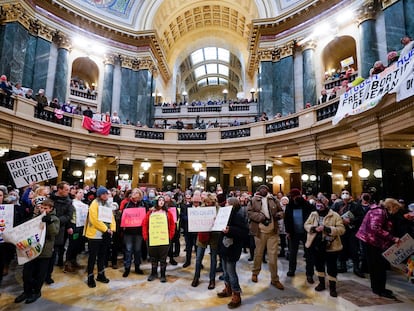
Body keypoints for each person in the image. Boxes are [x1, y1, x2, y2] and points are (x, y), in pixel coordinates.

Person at [14, 198, 60, 304]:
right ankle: (26, 291)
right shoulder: (35, 217)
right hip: (31, 249)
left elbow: (54, 233)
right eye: (42, 207)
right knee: (27, 273)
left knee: (40, 274)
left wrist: (49, 222)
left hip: (44, 251)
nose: (43, 210)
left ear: (51, 208)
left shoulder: (54, 218)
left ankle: (36, 292)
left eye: (46, 208)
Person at [356, 198, 401, 299]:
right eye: (396, 208)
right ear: (391, 206)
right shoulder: (379, 212)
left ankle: (377, 288)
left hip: (372, 241)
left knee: (375, 266)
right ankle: (380, 289)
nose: (396, 211)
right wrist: (392, 238)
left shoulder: (380, 210)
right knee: (378, 266)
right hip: (372, 242)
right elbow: (375, 228)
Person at [304, 197, 345, 297]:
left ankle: (332, 287)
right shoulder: (313, 214)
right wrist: (313, 228)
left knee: (331, 267)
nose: (319, 205)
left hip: (331, 246)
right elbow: (306, 224)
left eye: (321, 203)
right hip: (316, 245)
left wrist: (327, 229)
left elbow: (341, 229)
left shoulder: (334, 215)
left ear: (326, 204)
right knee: (319, 265)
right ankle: (321, 283)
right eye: (317, 203)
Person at [247, 184, 284, 290]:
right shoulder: (253, 200)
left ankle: (275, 279)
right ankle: (255, 273)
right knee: (258, 254)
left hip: (272, 232)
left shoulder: (273, 199)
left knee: (273, 257)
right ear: (258, 190)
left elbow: (281, 211)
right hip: (259, 232)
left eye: (266, 189)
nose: (264, 190)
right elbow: (249, 213)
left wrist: (279, 215)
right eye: (262, 189)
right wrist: (261, 217)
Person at [217, 197, 249, 309]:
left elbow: (244, 232)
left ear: (232, 205)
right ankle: (228, 289)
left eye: (227, 203)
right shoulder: (224, 215)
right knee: (225, 271)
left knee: (231, 272)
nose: (225, 204)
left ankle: (236, 294)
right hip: (224, 246)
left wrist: (230, 230)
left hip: (232, 248)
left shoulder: (238, 216)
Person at [84, 186, 116, 288]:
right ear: (99, 195)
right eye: (103, 194)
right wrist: (106, 229)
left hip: (105, 234)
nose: (105, 195)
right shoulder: (94, 204)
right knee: (93, 257)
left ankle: (101, 274)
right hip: (95, 235)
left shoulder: (107, 204)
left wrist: (112, 229)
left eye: (106, 193)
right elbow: (94, 220)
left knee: (102, 256)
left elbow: (111, 217)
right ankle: (90, 277)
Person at [284, 188, 315, 283]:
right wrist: (288, 232)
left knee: (309, 254)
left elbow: (313, 217)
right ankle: (291, 270)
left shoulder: (307, 205)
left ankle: (309, 274)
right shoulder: (289, 206)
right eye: (293, 196)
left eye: (296, 196)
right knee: (293, 253)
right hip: (294, 232)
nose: (294, 198)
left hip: (306, 232)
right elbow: (287, 219)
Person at [45, 181, 73, 284]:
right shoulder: (49, 199)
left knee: (53, 254)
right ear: (59, 189)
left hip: (58, 230)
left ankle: (48, 275)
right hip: (44, 228)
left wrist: (55, 220)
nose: (68, 192)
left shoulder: (69, 202)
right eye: (66, 190)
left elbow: (68, 216)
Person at [142, 196, 175, 282]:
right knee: (153, 257)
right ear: (156, 201)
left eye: (162, 200)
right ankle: (153, 273)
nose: (161, 202)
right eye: (159, 200)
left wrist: (170, 235)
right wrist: (145, 236)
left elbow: (172, 225)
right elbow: (144, 224)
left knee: (163, 258)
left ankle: (163, 274)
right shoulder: (150, 213)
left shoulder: (167, 213)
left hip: (164, 238)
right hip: (152, 238)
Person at [191, 193, 220, 290]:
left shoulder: (218, 209)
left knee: (213, 258)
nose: (208, 204)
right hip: (203, 234)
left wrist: (217, 220)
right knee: (199, 258)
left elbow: (222, 221)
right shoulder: (201, 209)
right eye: (206, 202)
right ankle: (196, 277)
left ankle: (212, 279)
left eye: (210, 202)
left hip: (214, 235)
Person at [120, 188, 148, 277]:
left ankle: (137, 267)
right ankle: (127, 268)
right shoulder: (127, 204)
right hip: (128, 231)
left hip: (139, 231)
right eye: (133, 193)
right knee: (128, 250)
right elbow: (123, 216)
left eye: (137, 193)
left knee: (137, 250)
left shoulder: (143, 204)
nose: (135, 194)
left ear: (140, 195)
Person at [64, 188, 88, 273]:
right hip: (74, 226)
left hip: (81, 227)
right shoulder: (72, 203)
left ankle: (74, 261)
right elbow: (69, 216)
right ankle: (67, 263)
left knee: (78, 245)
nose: (82, 194)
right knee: (72, 245)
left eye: (83, 193)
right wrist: (69, 227)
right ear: (76, 194)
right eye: (80, 192)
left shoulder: (84, 204)